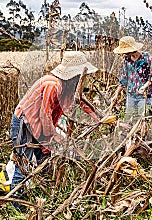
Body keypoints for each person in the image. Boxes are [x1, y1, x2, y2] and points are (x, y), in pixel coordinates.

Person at [9, 51, 99, 201]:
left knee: (44, 160)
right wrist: (56, 137)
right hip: (25, 123)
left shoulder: (69, 87)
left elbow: (80, 101)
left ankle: (39, 195)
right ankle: (17, 203)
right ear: (74, 75)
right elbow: (45, 114)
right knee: (23, 162)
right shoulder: (52, 85)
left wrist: (96, 119)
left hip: (40, 125)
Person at [111, 36, 152, 127]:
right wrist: (116, 94)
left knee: (142, 122)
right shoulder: (127, 60)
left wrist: (143, 87)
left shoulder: (147, 58)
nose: (124, 54)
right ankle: (129, 139)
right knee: (128, 121)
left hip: (144, 97)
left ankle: (141, 139)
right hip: (131, 95)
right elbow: (123, 79)